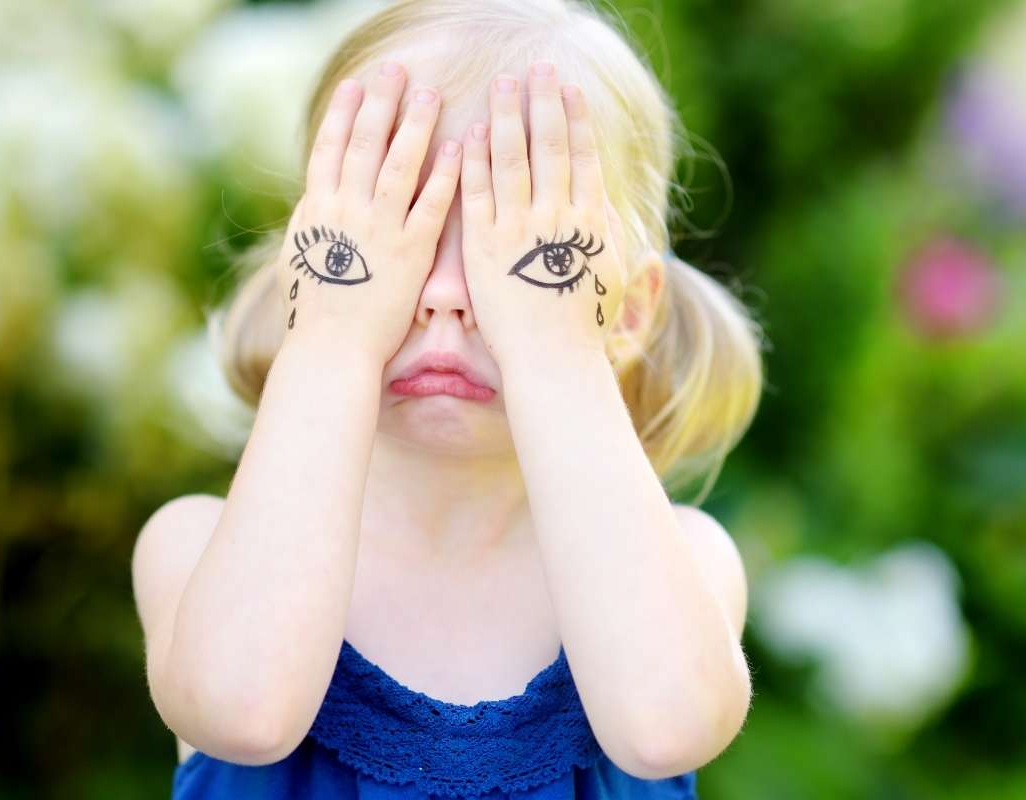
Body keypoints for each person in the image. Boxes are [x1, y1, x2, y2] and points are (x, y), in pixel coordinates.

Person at [132, 0, 765, 797]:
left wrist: (552, 348)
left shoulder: (685, 560)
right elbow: (244, 713)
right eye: (395, 231)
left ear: (629, 313)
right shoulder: (195, 548)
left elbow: (664, 728)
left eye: (527, 245)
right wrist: (333, 340)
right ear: (309, 269)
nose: (443, 293)